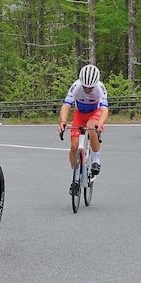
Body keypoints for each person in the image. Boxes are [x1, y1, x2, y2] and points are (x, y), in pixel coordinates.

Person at [58, 64, 109, 194]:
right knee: (74, 148)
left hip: (94, 113)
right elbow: (65, 106)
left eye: (90, 87)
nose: (87, 89)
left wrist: (100, 124)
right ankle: (75, 178)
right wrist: (63, 122)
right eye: (85, 87)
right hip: (79, 114)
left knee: (92, 129)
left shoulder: (100, 88)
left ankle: (96, 159)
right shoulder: (76, 86)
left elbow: (104, 110)